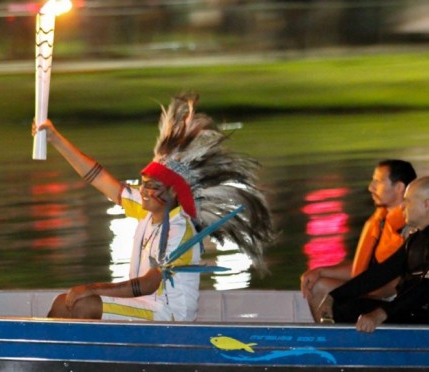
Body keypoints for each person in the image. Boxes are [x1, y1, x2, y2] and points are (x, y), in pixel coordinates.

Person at [35, 93, 274, 321]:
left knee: (84, 304)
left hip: (168, 316)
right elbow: (98, 178)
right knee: (62, 303)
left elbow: (150, 283)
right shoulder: (148, 208)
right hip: (145, 305)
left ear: (172, 192)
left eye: (151, 186)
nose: (143, 191)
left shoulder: (180, 231)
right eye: (143, 184)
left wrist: (91, 289)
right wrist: (55, 138)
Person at [318, 176, 429, 332]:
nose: (402, 207)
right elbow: (381, 273)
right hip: (413, 312)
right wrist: (334, 296)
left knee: (349, 311)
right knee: (341, 307)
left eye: (408, 201)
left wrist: (381, 314)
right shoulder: (417, 238)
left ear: (427, 204)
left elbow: (427, 286)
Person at [301, 159, 417, 320]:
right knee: (317, 284)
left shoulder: (410, 228)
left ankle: (335, 340)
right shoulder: (381, 221)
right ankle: (330, 340)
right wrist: (320, 271)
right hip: (370, 289)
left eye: (378, 181)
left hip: (394, 301)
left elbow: (394, 282)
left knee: (327, 292)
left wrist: (354, 291)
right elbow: (362, 270)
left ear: (399, 188)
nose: (371, 187)